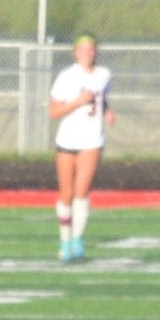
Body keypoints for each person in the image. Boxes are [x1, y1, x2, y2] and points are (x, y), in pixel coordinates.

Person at [49, 35, 111, 263]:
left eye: (91, 49)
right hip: (67, 139)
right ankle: (65, 241)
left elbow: (103, 99)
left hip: (92, 140)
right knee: (66, 193)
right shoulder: (67, 76)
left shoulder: (104, 74)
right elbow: (54, 111)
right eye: (83, 49)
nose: (88, 53)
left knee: (81, 191)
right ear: (76, 52)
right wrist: (78, 101)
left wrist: (107, 111)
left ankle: (77, 240)